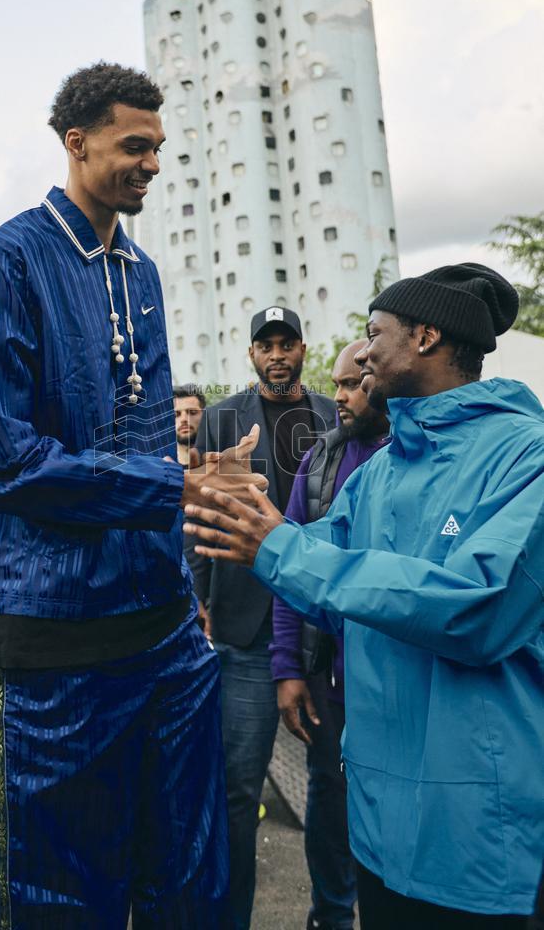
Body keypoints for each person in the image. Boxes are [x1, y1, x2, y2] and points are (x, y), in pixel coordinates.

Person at [0, 60, 266, 930]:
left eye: (159, 148)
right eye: (135, 145)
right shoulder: (8, 260)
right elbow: (4, 463)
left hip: (165, 637)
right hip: (54, 647)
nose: (153, 164)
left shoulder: (143, 272)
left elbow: (144, 440)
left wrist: (194, 492)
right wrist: (175, 483)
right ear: (77, 141)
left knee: (190, 887)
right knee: (60, 903)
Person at [184, 263, 544, 930]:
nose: (364, 352)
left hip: (475, 837)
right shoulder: (377, 472)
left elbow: (478, 608)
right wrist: (244, 514)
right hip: (379, 830)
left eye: (375, 333)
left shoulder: (527, 455)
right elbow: (320, 578)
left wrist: (284, 550)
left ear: (426, 337)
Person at [189, 306, 334, 929]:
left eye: (286, 343)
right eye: (265, 345)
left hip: (320, 626)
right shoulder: (221, 418)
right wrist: (199, 597)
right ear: (251, 354)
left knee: (334, 784)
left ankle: (331, 914)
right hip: (244, 629)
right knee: (237, 789)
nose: (276, 355)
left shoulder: (333, 415)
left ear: (302, 349)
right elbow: (199, 515)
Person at [272, 339, 389, 930]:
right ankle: (331, 916)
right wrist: (287, 667)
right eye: (337, 384)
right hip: (329, 674)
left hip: (393, 674)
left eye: (352, 384)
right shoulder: (319, 460)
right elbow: (289, 567)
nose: (339, 396)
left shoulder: (415, 455)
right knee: (329, 799)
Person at [173, 384, 206, 467]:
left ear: (205, 415)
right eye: (176, 414)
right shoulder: (158, 465)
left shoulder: (220, 460)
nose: (184, 419)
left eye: (192, 412)